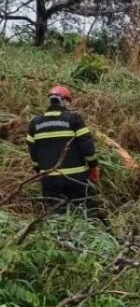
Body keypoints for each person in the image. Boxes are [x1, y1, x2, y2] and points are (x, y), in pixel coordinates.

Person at [27, 85, 103, 217]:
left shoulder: (35, 124)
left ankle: (60, 237)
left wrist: (39, 171)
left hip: (50, 180)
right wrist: (93, 166)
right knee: (84, 214)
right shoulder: (74, 120)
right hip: (76, 179)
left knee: (56, 218)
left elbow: (33, 153)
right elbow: (87, 147)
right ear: (65, 101)